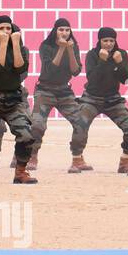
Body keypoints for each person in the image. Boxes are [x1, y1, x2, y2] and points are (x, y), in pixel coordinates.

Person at [0, 16, 36, 184]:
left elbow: (20, 68)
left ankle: (21, 171)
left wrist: (16, 44)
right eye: (1, 28)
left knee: (26, 135)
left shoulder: (21, 49)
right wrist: (3, 44)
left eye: (8, 29)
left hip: (14, 99)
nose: (5, 32)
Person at [76, 27, 128, 172]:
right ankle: (77, 159)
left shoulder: (121, 54)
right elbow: (92, 80)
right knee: (79, 124)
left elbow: (127, 80)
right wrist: (102, 61)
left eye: (112, 40)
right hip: (91, 98)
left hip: (113, 99)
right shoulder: (92, 54)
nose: (109, 43)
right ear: (99, 41)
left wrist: (119, 63)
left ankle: (124, 162)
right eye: (105, 40)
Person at [28, 18, 87, 172]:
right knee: (37, 125)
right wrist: (61, 48)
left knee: (81, 122)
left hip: (64, 92)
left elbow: (76, 71)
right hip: (45, 90)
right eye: (61, 29)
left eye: (67, 30)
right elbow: (50, 70)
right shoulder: (46, 46)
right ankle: (32, 155)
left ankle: (77, 158)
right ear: (55, 31)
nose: (65, 33)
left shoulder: (73, 46)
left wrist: (69, 50)